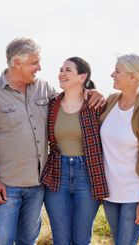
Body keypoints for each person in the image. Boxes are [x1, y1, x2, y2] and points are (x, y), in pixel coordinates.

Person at [0, 38, 105, 245]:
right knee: (2, 240)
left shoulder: (43, 89)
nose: (39, 68)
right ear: (17, 63)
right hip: (6, 185)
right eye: (34, 63)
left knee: (28, 240)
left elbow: (70, 97)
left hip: (38, 186)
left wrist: (92, 91)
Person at [41, 57, 109, 245]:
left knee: (81, 239)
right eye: (60, 69)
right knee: (61, 240)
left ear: (82, 76)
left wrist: (95, 92)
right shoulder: (51, 104)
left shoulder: (96, 105)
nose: (62, 73)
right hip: (57, 175)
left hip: (87, 175)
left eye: (68, 70)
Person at [99, 53, 139, 245]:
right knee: (117, 240)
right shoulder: (110, 102)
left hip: (134, 194)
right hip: (109, 192)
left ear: (132, 76)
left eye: (117, 71)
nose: (112, 75)